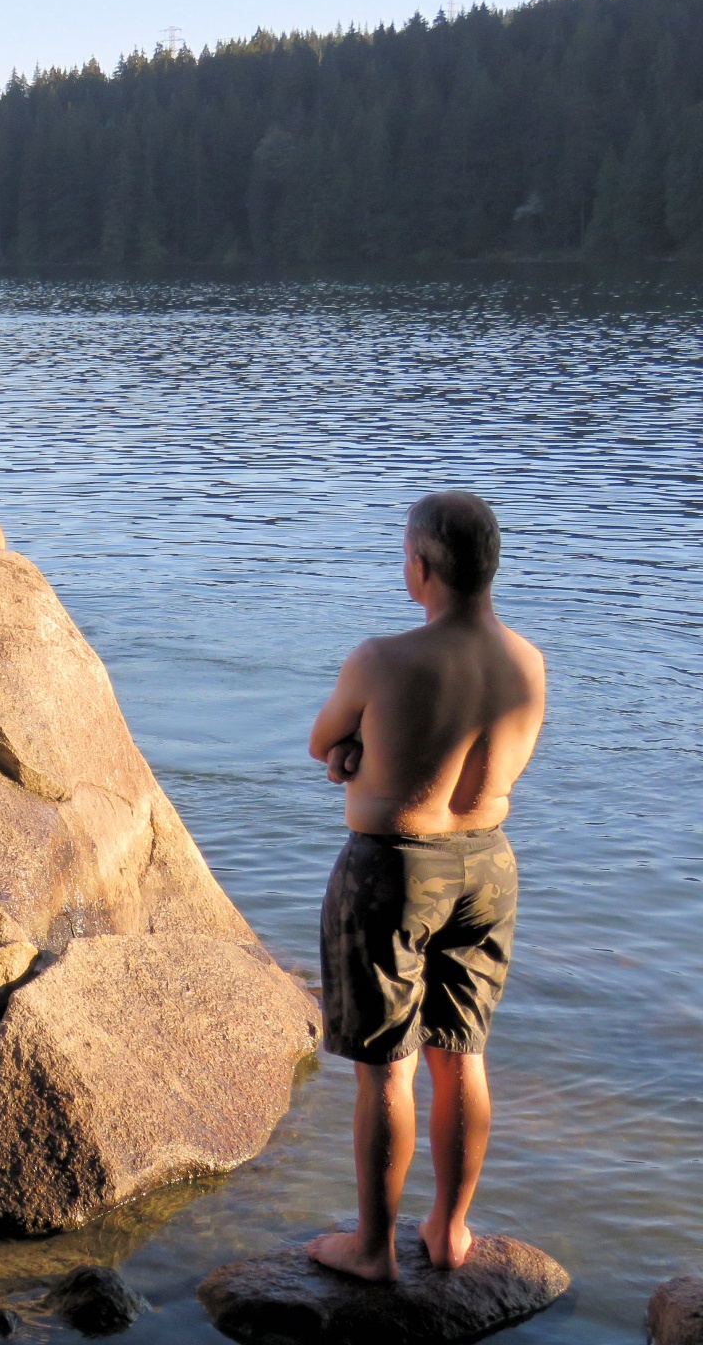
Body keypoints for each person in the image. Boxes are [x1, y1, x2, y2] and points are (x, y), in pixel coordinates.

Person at [306, 491, 547, 1282]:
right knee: (463, 1051)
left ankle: (372, 1249)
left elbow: (324, 741)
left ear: (421, 566)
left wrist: (353, 759)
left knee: (385, 1064)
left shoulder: (383, 658)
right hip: (489, 865)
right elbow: (492, 763)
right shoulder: (526, 661)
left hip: (395, 869)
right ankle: (449, 1230)